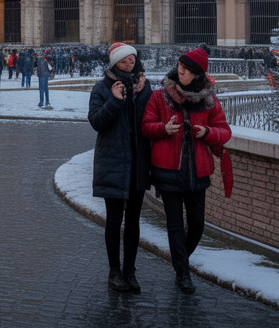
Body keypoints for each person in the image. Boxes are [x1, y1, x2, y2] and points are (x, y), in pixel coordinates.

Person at [142, 47, 231, 294]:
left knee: (197, 223)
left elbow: (225, 131)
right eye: (179, 68)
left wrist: (208, 132)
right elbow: (146, 126)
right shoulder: (160, 97)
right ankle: (183, 272)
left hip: (198, 171)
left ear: (196, 74)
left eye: (186, 70)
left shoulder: (208, 99)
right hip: (167, 170)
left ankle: (180, 259)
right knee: (174, 224)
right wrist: (163, 128)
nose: (180, 72)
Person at [89, 42, 152, 294]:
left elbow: (147, 120)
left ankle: (130, 270)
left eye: (132, 60)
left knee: (134, 221)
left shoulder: (142, 87)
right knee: (114, 221)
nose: (129, 64)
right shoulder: (102, 88)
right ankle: (114, 271)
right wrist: (114, 101)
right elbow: (97, 122)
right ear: (115, 62)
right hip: (112, 162)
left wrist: (143, 92)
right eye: (124, 61)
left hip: (137, 163)